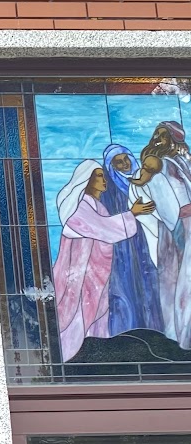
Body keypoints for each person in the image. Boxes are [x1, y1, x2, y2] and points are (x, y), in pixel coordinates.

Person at [52, 161, 150, 362]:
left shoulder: (98, 207)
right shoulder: (78, 208)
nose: (104, 179)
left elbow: (104, 231)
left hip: (94, 277)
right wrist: (132, 213)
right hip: (77, 278)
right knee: (76, 315)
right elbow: (104, 229)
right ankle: (69, 357)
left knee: (96, 313)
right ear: (86, 180)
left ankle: (91, 356)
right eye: (98, 175)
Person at [130, 121, 191, 347]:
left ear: (174, 140)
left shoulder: (181, 163)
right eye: (156, 134)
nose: (157, 138)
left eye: (163, 135)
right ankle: (178, 336)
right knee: (174, 279)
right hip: (175, 226)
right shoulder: (157, 164)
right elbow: (148, 191)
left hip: (183, 223)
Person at [99, 144, 162, 335]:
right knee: (125, 289)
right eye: (119, 162)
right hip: (122, 247)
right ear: (111, 167)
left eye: (126, 158)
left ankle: (155, 332)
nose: (125, 164)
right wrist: (132, 213)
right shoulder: (108, 191)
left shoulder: (143, 180)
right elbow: (106, 221)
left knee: (149, 285)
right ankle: (127, 334)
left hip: (144, 240)